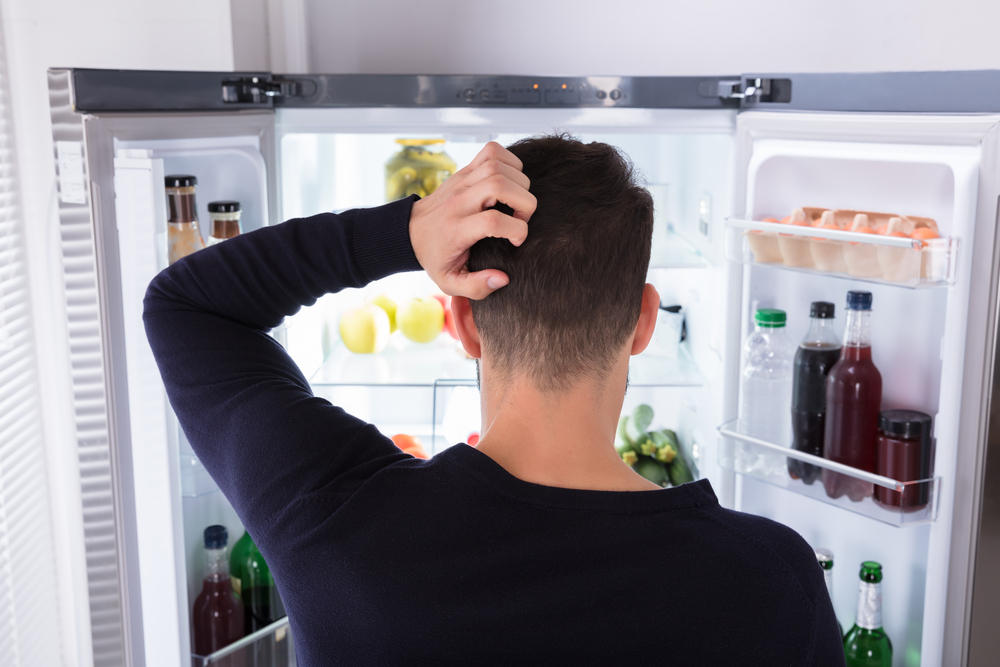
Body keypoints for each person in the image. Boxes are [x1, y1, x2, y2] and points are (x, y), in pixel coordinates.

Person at [144, 137, 844, 665]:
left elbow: (186, 306)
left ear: (462, 321)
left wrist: (408, 231)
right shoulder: (771, 580)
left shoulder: (338, 527)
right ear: (643, 322)